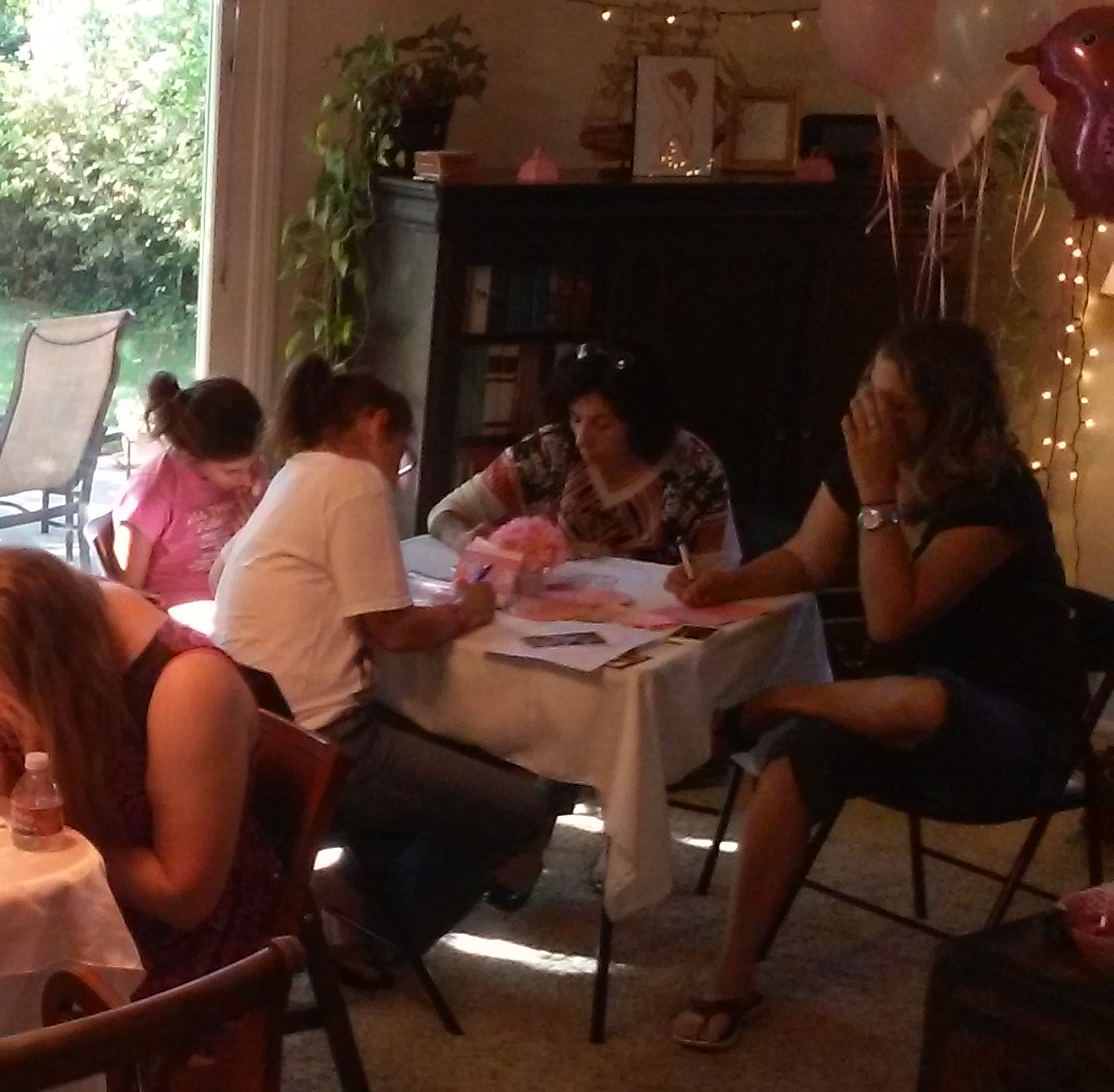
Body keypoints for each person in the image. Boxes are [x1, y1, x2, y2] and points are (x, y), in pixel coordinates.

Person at [666, 319, 1082, 1052]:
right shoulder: (867, 463)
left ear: (945, 414)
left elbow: (891, 620)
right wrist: (729, 582)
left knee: (930, 698)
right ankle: (734, 974)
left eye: (896, 407)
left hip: (1015, 735)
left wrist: (876, 494)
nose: (872, 417)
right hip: (891, 710)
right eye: (870, 393)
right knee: (795, 760)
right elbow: (803, 559)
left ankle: (768, 703)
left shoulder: (997, 494)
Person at [211, 359, 565, 965]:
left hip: (264, 732)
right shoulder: (354, 483)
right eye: (402, 451)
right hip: (325, 739)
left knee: (455, 751)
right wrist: (467, 612)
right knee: (521, 811)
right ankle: (380, 937)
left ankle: (352, 885)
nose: (398, 474)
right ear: (377, 424)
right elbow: (392, 629)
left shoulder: (295, 475)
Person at [0, 548, 276, 997]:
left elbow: (183, 896)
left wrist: (31, 814)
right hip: (46, 897)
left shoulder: (187, 687)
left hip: (159, 950)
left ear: (49, 680)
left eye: (5, 703)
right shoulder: (22, 619)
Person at [427, 342, 741, 568]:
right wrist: (464, 540)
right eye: (576, 418)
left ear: (640, 423)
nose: (582, 439)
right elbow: (444, 513)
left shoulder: (692, 468)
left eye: (602, 424)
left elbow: (715, 576)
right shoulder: (551, 449)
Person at [108, 372, 266, 607]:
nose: (247, 479)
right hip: (174, 620)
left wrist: (254, 533)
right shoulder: (151, 494)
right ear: (190, 457)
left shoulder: (251, 475)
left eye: (252, 464)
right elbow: (127, 596)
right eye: (232, 471)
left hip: (237, 601)